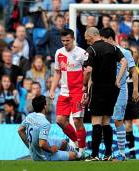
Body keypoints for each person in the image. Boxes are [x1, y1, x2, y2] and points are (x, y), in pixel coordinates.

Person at [82, 27, 127, 161]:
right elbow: (124, 61)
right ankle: (108, 154)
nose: (86, 41)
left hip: (98, 88)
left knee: (96, 121)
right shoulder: (112, 47)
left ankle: (94, 155)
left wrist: (84, 85)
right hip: (112, 89)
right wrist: (118, 80)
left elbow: (88, 70)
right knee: (106, 121)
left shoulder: (92, 50)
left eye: (86, 38)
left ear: (91, 36)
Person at [99, 27, 139, 161]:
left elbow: (133, 71)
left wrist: (135, 90)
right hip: (105, 90)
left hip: (121, 89)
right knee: (104, 120)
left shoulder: (125, 52)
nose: (103, 44)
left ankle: (122, 152)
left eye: (104, 41)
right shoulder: (103, 53)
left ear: (110, 39)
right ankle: (108, 152)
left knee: (118, 120)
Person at [50, 28, 87, 158]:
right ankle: (77, 142)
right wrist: (52, 90)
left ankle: (82, 150)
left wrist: (86, 90)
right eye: (63, 40)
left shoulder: (82, 53)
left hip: (78, 92)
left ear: (73, 39)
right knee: (60, 120)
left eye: (68, 40)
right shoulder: (59, 53)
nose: (65, 43)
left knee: (77, 121)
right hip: (64, 92)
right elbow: (57, 72)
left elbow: (88, 72)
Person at [18, 95, 79, 161]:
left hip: (35, 151)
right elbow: (42, 144)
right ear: (45, 106)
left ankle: (79, 154)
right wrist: (51, 149)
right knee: (73, 156)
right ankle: (78, 156)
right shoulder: (45, 123)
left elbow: (20, 130)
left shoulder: (29, 116)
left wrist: (30, 146)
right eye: (47, 103)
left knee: (63, 142)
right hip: (43, 156)